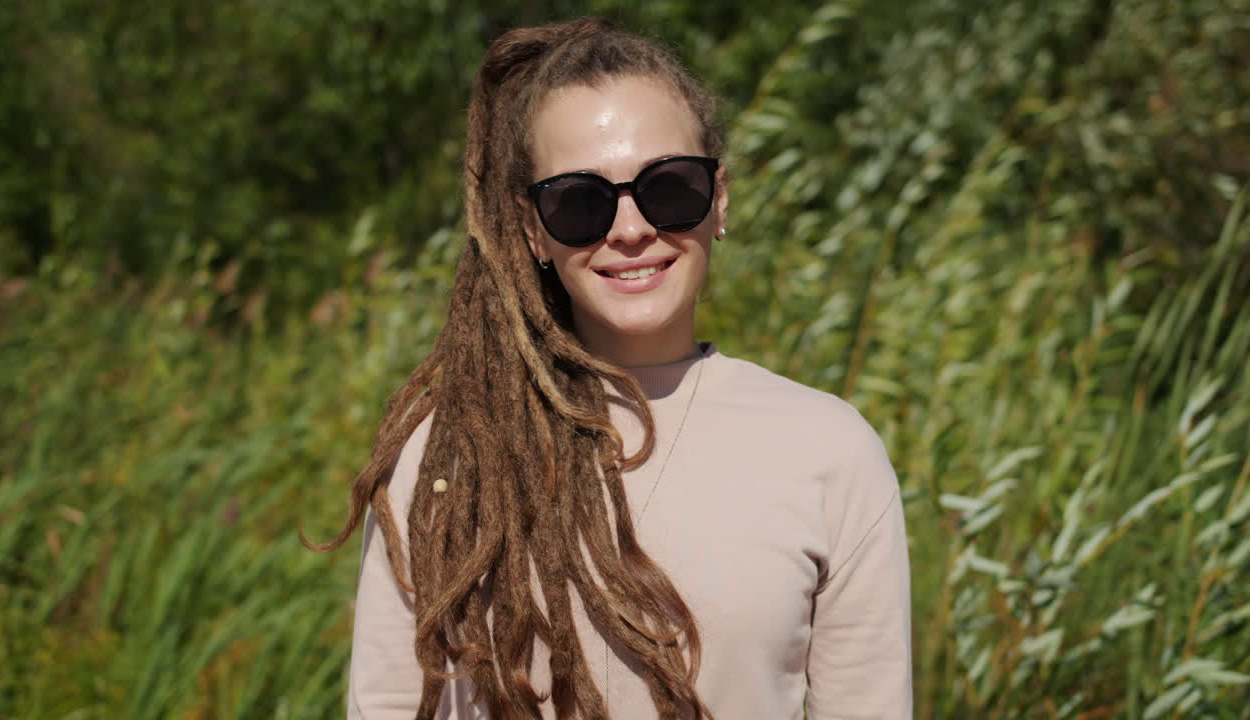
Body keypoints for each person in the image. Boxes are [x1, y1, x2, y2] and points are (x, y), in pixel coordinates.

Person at [320, 16, 912, 720]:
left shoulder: (830, 452)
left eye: (669, 188)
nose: (631, 230)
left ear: (719, 199)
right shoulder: (445, 452)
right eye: (580, 201)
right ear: (533, 228)